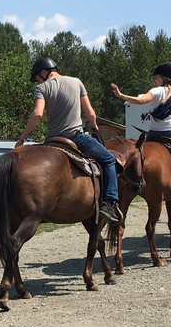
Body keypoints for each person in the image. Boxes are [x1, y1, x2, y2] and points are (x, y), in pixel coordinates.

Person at [15, 56, 121, 224]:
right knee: (109, 160)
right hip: (76, 137)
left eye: (36, 77)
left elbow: (37, 114)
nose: (37, 81)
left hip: (52, 140)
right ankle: (109, 204)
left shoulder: (42, 89)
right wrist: (93, 125)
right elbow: (91, 113)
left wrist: (22, 139)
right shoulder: (76, 82)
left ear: (44, 72)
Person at [111, 63, 171, 199]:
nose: (154, 80)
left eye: (156, 77)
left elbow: (141, 100)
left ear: (163, 78)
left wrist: (121, 95)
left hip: (153, 134)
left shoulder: (155, 91)